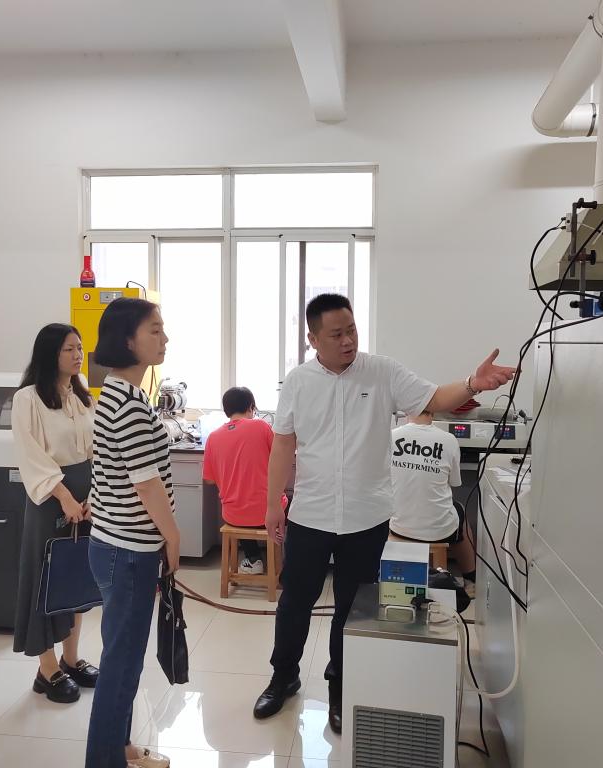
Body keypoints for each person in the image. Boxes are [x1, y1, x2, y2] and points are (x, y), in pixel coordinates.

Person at [255, 293, 516, 734]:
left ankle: (340, 685)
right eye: (336, 334)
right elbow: (283, 443)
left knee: (352, 607)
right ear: (312, 338)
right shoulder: (298, 382)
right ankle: (283, 677)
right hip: (310, 514)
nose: (348, 341)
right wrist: (272, 504)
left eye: (351, 330)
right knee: (295, 601)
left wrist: (473, 383)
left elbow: (435, 396)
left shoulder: (382, 372)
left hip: (367, 517)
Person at [85, 297, 176, 768]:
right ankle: (105, 760)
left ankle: (118, 749)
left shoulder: (118, 394)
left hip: (115, 544)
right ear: (127, 340)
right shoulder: (129, 405)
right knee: (121, 662)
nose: (164, 338)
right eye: (154, 330)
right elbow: (146, 483)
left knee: (123, 657)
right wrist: (173, 537)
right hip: (129, 550)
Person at [11, 323, 99, 704]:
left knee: (76, 575)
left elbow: (96, 450)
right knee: (45, 579)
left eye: (79, 348)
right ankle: (47, 669)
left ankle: (71, 658)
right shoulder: (27, 399)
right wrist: (64, 496)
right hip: (50, 498)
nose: (78, 355)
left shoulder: (81, 395)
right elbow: (31, 455)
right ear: (50, 354)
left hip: (85, 497)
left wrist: (93, 494)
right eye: (69, 349)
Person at [390, 410, 478, 594]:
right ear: (436, 409)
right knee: (459, 509)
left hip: (398, 527)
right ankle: (471, 579)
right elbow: (455, 482)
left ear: (407, 409)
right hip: (439, 531)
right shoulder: (449, 440)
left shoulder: (392, 436)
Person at [203, 387, 276, 575]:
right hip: (266, 513)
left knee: (241, 507)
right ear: (251, 407)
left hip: (233, 515)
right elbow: (279, 457)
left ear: (226, 410)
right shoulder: (261, 427)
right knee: (287, 504)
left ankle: (254, 558)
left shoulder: (213, 437)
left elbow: (209, 480)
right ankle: (281, 563)